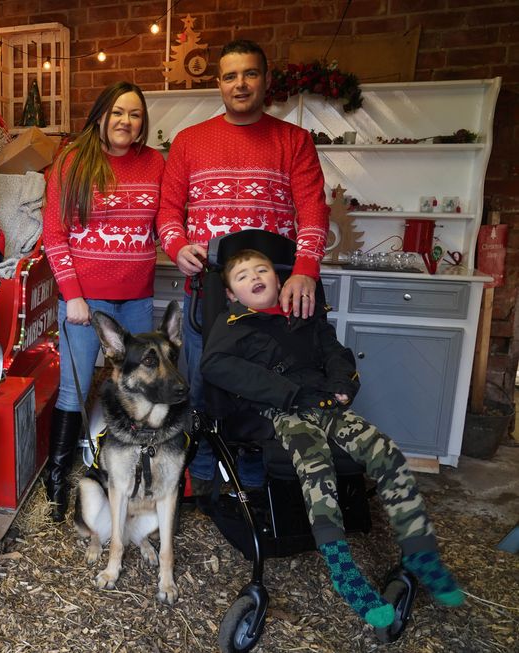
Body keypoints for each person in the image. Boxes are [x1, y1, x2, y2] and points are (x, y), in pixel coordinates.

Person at [201, 248, 463, 628]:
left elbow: (337, 353)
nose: (254, 277)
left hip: (328, 403)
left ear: (279, 279)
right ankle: (343, 571)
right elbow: (215, 366)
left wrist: (341, 385)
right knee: (315, 461)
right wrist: (288, 392)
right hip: (283, 409)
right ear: (231, 294)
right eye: (242, 276)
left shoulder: (305, 314)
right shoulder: (234, 323)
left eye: (262, 269)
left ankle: (421, 552)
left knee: (387, 453)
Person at [155, 39, 330, 491]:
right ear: (218, 83)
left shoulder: (294, 141)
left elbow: (313, 211)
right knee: (200, 385)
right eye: (231, 76)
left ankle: (250, 484)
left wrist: (306, 267)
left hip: (268, 295)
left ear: (265, 80)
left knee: (260, 387)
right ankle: (202, 478)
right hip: (209, 290)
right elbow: (168, 212)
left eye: (250, 74)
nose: (240, 84)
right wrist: (177, 247)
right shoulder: (190, 141)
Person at [42, 81, 166, 521]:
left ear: (142, 122)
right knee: (75, 387)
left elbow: (167, 217)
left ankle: (128, 470)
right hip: (86, 298)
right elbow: (54, 235)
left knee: (136, 387)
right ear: (100, 116)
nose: (125, 121)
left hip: (136, 296)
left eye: (134, 114)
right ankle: (57, 475)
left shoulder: (154, 162)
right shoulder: (72, 162)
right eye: (117, 112)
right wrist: (73, 295)